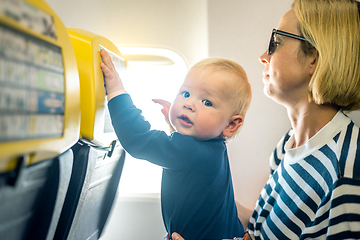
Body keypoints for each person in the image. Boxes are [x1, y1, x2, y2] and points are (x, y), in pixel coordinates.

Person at [164, 0, 360, 239]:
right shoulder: (289, 143)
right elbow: (260, 228)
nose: (263, 56)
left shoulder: (347, 168)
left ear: (314, 60)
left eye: (275, 43)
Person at [100, 51, 252, 240]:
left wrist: (116, 90)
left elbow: (138, 139)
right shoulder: (215, 147)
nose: (189, 104)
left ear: (230, 125)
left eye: (207, 102)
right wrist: (174, 126)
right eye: (186, 93)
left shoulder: (190, 151)